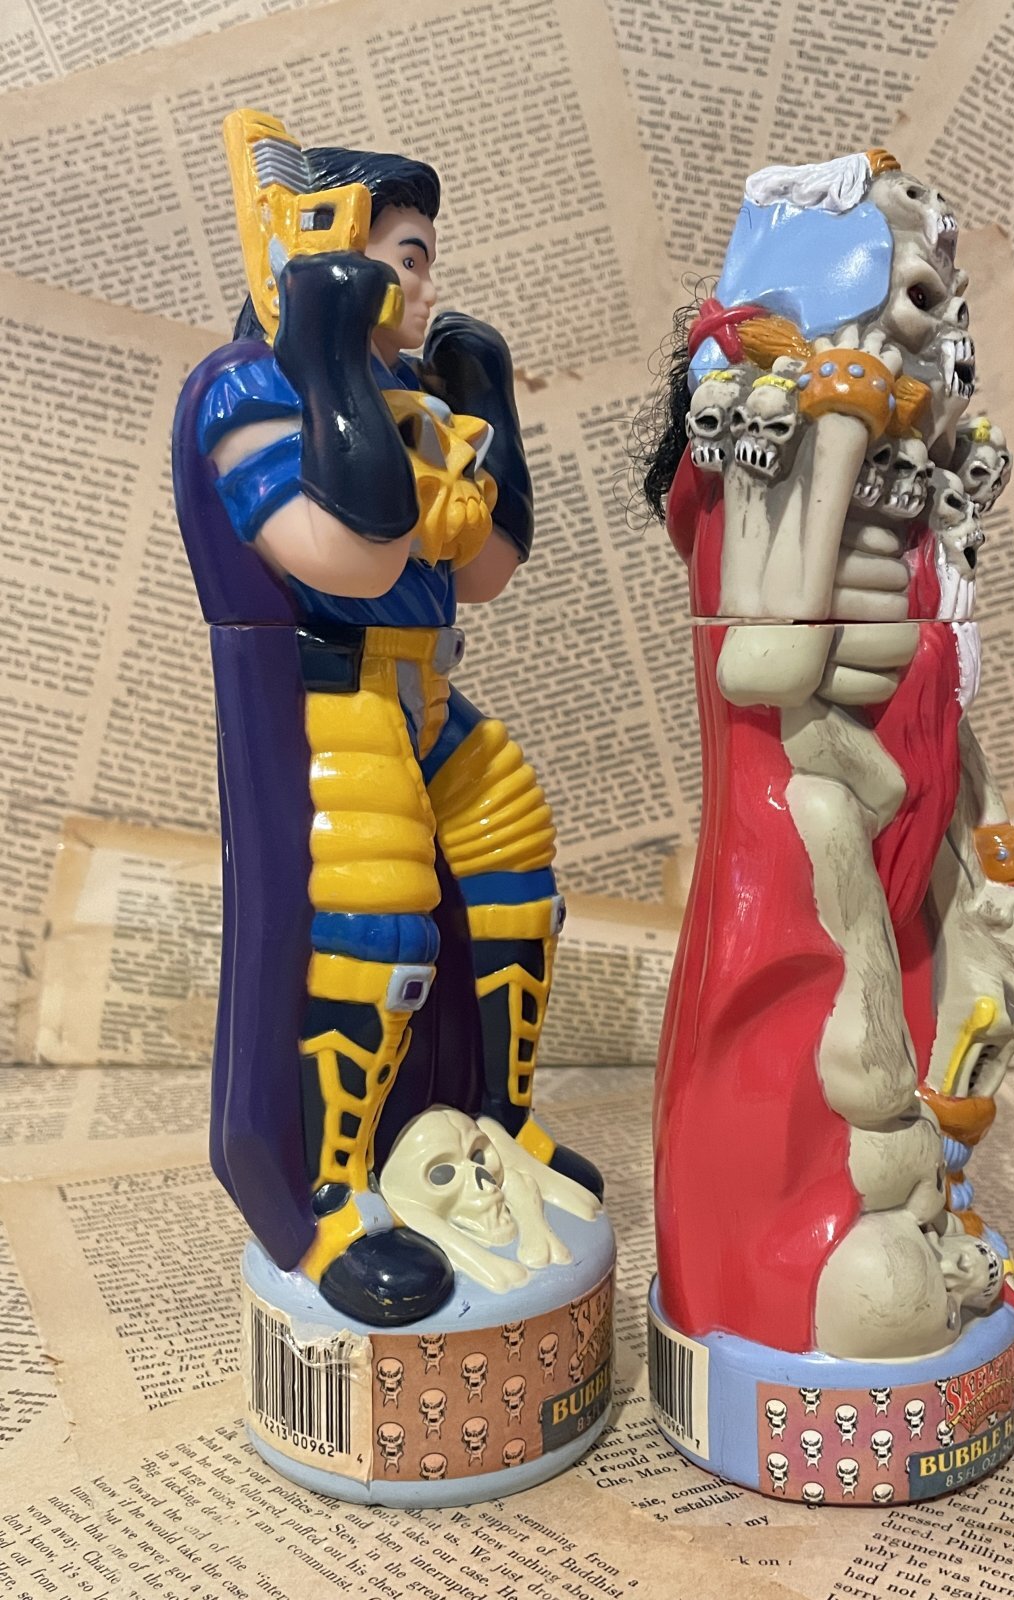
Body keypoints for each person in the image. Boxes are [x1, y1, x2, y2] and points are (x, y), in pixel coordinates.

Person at [174, 144, 601, 1329]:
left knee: (515, 853)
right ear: (330, 261)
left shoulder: (414, 399)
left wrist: (487, 405)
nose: (425, 285)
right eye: (405, 259)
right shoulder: (250, 392)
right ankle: (333, 1191)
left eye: (424, 261)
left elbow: (490, 567)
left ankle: (501, 1113)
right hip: (336, 698)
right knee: (380, 915)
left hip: (424, 691)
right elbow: (350, 553)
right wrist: (322, 350)